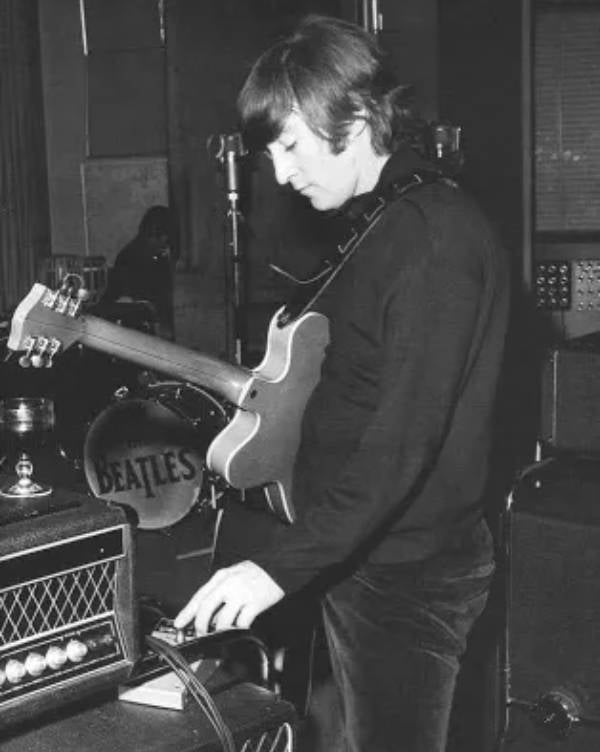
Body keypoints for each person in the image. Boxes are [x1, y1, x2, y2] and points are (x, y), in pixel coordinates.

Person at [175, 15, 510, 752]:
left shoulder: (433, 239)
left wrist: (275, 570)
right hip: (363, 559)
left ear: (355, 116)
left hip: (406, 575)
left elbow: (401, 444)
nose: (280, 173)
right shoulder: (388, 222)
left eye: (289, 144)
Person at [100, 205, 177, 340]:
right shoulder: (130, 258)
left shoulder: (157, 257)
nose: (166, 244)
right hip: (137, 334)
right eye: (164, 238)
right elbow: (130, 303)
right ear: (154, 234)